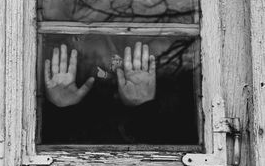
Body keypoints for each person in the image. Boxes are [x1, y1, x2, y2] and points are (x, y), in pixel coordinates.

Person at [42, 37, 199, 145]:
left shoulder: (176, 108)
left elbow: (164, 147)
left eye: (117, 63)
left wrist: (143, 107)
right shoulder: (89, 119)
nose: (113, 73)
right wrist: (62, 110)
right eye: (102, 67)